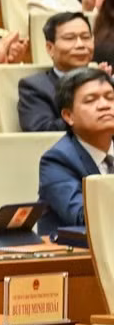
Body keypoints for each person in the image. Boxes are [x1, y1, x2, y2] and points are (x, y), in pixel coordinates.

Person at [37, 68, 114, 231]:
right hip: (79, 252)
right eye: (90, 100)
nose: (104, 105)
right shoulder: (57, 160)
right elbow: (84, 217)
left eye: (110, 98)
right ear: (68, 116)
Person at [20, 12, 97, 133]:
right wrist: (90, 114)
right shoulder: (34, 87)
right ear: (50, 48)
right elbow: (41, 130)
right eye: (70, 38)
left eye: (86, 37)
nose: (80, 45)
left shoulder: (106, 83)